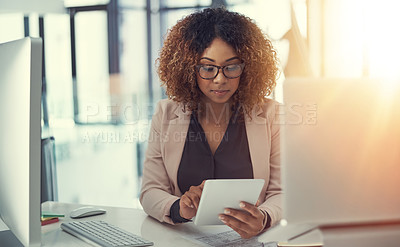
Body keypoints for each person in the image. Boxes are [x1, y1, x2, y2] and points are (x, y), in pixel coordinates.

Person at [140, 7, 281, 239]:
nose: (220, 79)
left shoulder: (271, 114)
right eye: (207, 67)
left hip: (250, 241)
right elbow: (150, 191)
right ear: (188, 69)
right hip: (185, 238)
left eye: (231, 66)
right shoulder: (165, 114)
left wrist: (263, 217)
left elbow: (281, 192)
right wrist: (179, 208)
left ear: (248, 68)